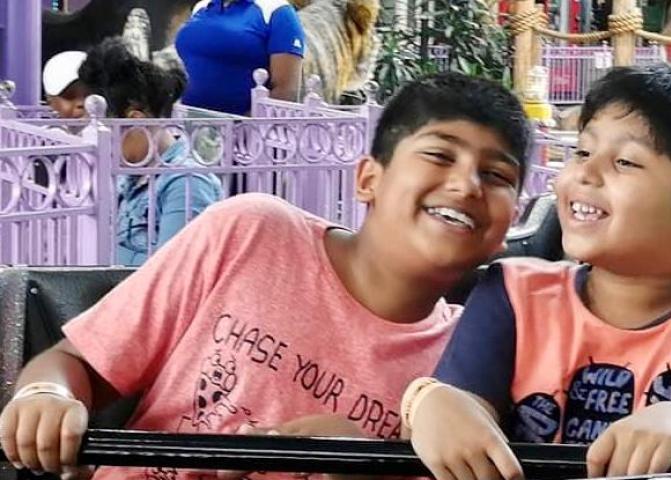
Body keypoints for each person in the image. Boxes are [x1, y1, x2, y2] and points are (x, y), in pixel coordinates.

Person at [0, 72, 532, 479]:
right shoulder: (252, 231)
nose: (467, 185)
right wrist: (44, 397)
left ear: (511, 220)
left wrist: (366, 463)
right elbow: (75, 364)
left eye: (497, 175)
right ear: (369, 178)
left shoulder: (473, 359)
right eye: (440, 155)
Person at [403, 64, 671, 480]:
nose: (584, 173)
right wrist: (431, 402)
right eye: (583, 152)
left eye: (624, 162)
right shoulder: (513, 293)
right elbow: (465, 410)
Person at [78, 38, 223, 265]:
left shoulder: (187, 183)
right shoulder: (131, 175)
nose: (99, 146)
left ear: (135, 120)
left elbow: (171, 273)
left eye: (103, 134)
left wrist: (103, 255)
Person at [175, 0, 306, 115]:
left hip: (242, 133)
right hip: (188, 127)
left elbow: (286, 90)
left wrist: (245, 130)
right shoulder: (203, 6)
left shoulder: (278, 13)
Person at [42, 51, 90, 119]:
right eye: (69, 97)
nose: (81, 104)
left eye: (90, 96)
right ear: (50, 100)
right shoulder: (33, 129)